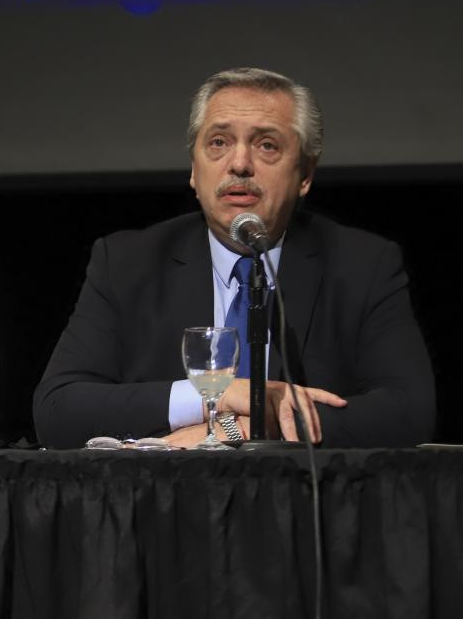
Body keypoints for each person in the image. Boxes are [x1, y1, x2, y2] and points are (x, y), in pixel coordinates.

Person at [34, 67, 435, 449]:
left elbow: (408, 411)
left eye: (266, 145)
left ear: (306, 174)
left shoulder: (363, 265)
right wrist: (219, 399)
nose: (239, 164)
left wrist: (252, 426)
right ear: (194, 168)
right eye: (219, 142)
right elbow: (58, 409)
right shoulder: (126, 263)